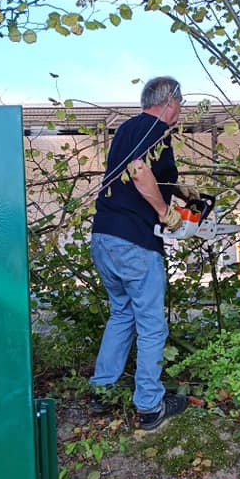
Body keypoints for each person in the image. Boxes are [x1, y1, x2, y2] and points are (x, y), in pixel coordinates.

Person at [88, 76, 200, 431]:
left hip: (104, 237)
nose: (180, 111)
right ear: (170, 101)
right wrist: (166, 213)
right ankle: (150, 406)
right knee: (152, 325)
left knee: (122, 313)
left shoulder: (127, 129)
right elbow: (139, 172)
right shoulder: (156, 127)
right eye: (180, 104)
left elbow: (134, 168)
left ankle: (102, 391)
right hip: (135, 241)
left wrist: (178, 191)